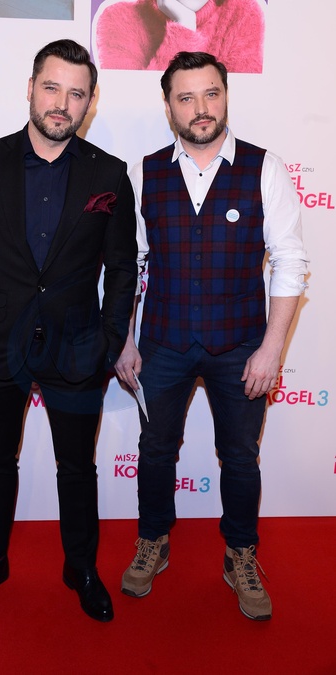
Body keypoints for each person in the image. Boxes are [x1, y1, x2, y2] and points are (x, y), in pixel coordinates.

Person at [0, 39, 137, 623]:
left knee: (77, 467)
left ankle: (81, 568)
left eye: (76, 93)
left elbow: (122, 266)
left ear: (90, 102)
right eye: (52, 87)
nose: (61, 103)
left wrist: (109, 339)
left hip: (78, 348)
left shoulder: (110, 174)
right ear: (30, 88)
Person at [115, 51, 308, 621]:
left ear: (225, 95)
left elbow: (290, 261)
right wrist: (125, 339)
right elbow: (127, 265)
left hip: (242, 346)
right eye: (186, 97)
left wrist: (271, 349)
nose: (201, 108)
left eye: (211, 94)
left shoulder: (265, 168)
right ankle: (153, 539)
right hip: (163, 342)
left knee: (241, 456)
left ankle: (240, 553)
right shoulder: (144, 172)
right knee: (155, 450)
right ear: (168, 105)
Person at [94, 0, 264, 72]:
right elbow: (137, 106)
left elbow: (238, 106)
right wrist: (183, 25)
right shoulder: (118, 18)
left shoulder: (243, 13)